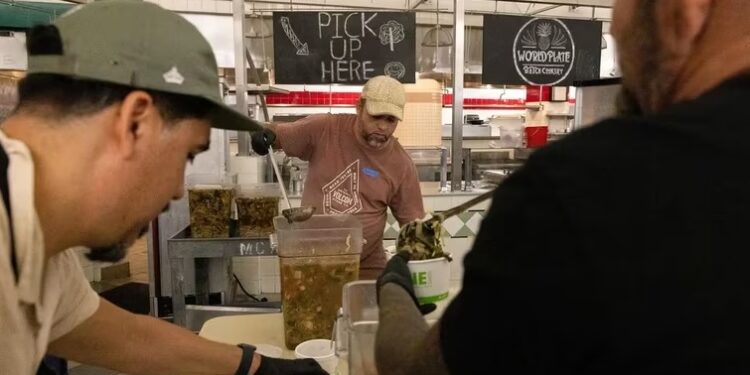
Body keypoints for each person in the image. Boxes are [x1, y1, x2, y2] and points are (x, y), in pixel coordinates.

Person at [375, 0, 750, 373]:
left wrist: (393, 285)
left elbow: (414, 369)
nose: (616, 33)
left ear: (683, 10)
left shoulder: (582, 188)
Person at [0, 1, 326, 374]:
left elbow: (125, 338)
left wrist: (254, 368)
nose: (176, 191)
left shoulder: (37, 241)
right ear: (135, 123)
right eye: (187, 155)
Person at [251, 76, 425, 279]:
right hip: (313, 262)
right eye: (376, 116)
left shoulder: (400, 164)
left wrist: (422, 272)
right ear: (359, 107)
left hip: (366, 269)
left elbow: (414, 227)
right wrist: (264, 135)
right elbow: (277, 133)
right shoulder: (325, 129)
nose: (383, 127)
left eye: (390, 120)